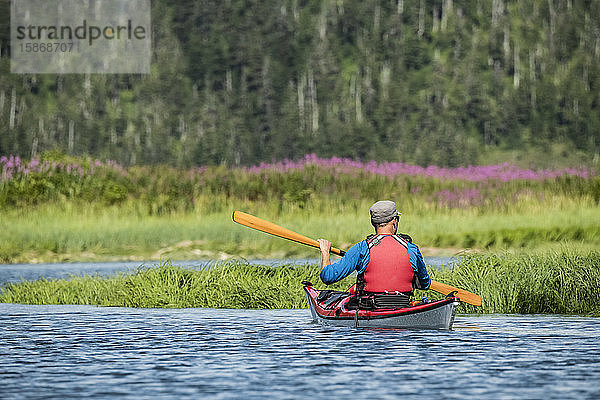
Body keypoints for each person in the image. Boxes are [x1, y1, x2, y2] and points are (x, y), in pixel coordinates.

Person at [317, 200, 430, 308]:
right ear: (394, 221)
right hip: (403, 305)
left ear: (373, 223)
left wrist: (325, 252)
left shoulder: (362, 248)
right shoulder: (411, 248)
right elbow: (425, 284)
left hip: (370, 308)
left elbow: (328, 277)